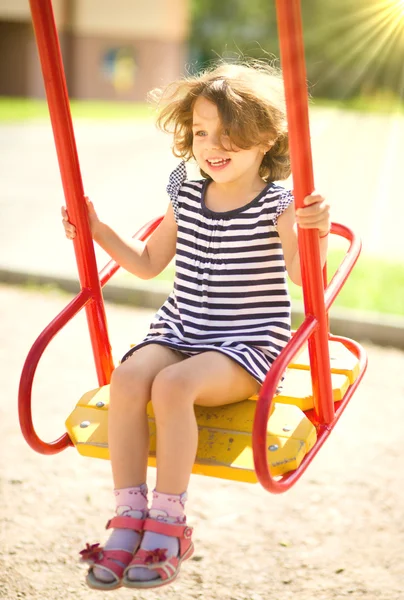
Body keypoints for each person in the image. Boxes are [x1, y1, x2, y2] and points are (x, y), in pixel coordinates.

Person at [62, 60, 330, 591]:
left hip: (246, 343)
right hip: (183, 328)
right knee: (130, 378)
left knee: (175, 385)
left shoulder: (278, 205)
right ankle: (128, 515)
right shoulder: (185, 190)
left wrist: (314, 230)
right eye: (202, 132)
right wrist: (95, 230)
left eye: (229, 134)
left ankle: (168, 522)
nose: (213, 145)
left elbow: (305, 280)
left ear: (267, 138)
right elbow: (147, 262)